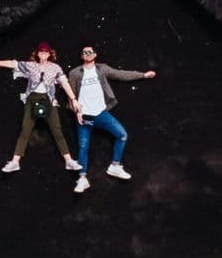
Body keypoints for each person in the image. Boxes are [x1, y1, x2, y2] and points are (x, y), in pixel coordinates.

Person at [0, 43, 81, 174]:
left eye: (46, 52)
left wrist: (73, 99)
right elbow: (12, 63)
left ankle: (68, 160)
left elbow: (64, 83)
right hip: (32, 99)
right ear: (38, 53)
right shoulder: (31, 65)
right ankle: (15, 162)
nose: (43, 54)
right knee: (25, 129)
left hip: (48, 100)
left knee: (57, 130)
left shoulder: (55, 68)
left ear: (50, 54)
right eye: (41, 52)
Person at [66, 44, 156, 192]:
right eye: (84, 52)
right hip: (84, 116)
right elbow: (71, 95)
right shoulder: (75, 73)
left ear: (95, 55)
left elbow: (120, 74)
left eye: (90, 52)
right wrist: (77, 113)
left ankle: (115, 166)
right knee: (83, 146)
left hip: (101, 114)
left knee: (122, 135)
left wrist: (143, 75)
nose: (87, 54)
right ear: (82, 56)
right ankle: (82, 179)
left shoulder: (102, 69)